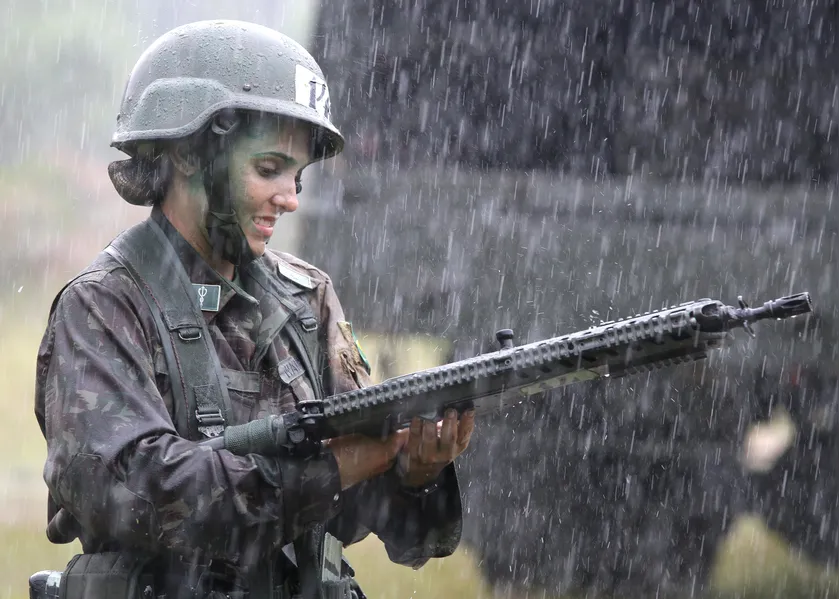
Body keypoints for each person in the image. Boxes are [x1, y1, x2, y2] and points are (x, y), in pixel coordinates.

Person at [34, 19, 475, 599]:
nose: (291, 198)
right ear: (190, 155)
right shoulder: (102, 307)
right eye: (268, 169)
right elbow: (138, 494)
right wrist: (332, 469)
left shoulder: (304, 298)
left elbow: (360, 515)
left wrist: (411, 471)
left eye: (296, 174)